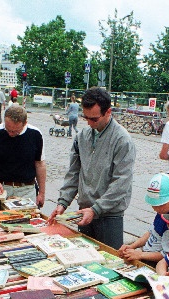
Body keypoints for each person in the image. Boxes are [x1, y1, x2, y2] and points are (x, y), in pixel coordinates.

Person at [47, 86, 136, 249]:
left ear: (108, 112)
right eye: (85, 117)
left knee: (109, 263)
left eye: (94, 119)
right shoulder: (82, 136)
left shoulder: (122, 140)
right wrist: (62, 203)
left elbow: (121, 183)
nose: (89, 122)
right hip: (84, 211)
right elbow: (73, 173)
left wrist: (96, 209)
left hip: (110, 215)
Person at [0, 105, 46, 207]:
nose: (10, 133)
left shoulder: (35, 134)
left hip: (26, 190)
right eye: (8, 129)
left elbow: (40, 164)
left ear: (25, 123)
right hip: (1, 190)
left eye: (15, 131)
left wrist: (42, 192)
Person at [118, 173, 169, 263]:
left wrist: (140, 255)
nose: (155, 208)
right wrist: (132, 246)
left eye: (160, 204)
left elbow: (168, 254)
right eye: (153, 204)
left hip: (155, 262)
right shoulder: (163, 210)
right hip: (146, 253)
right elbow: (150, 233)